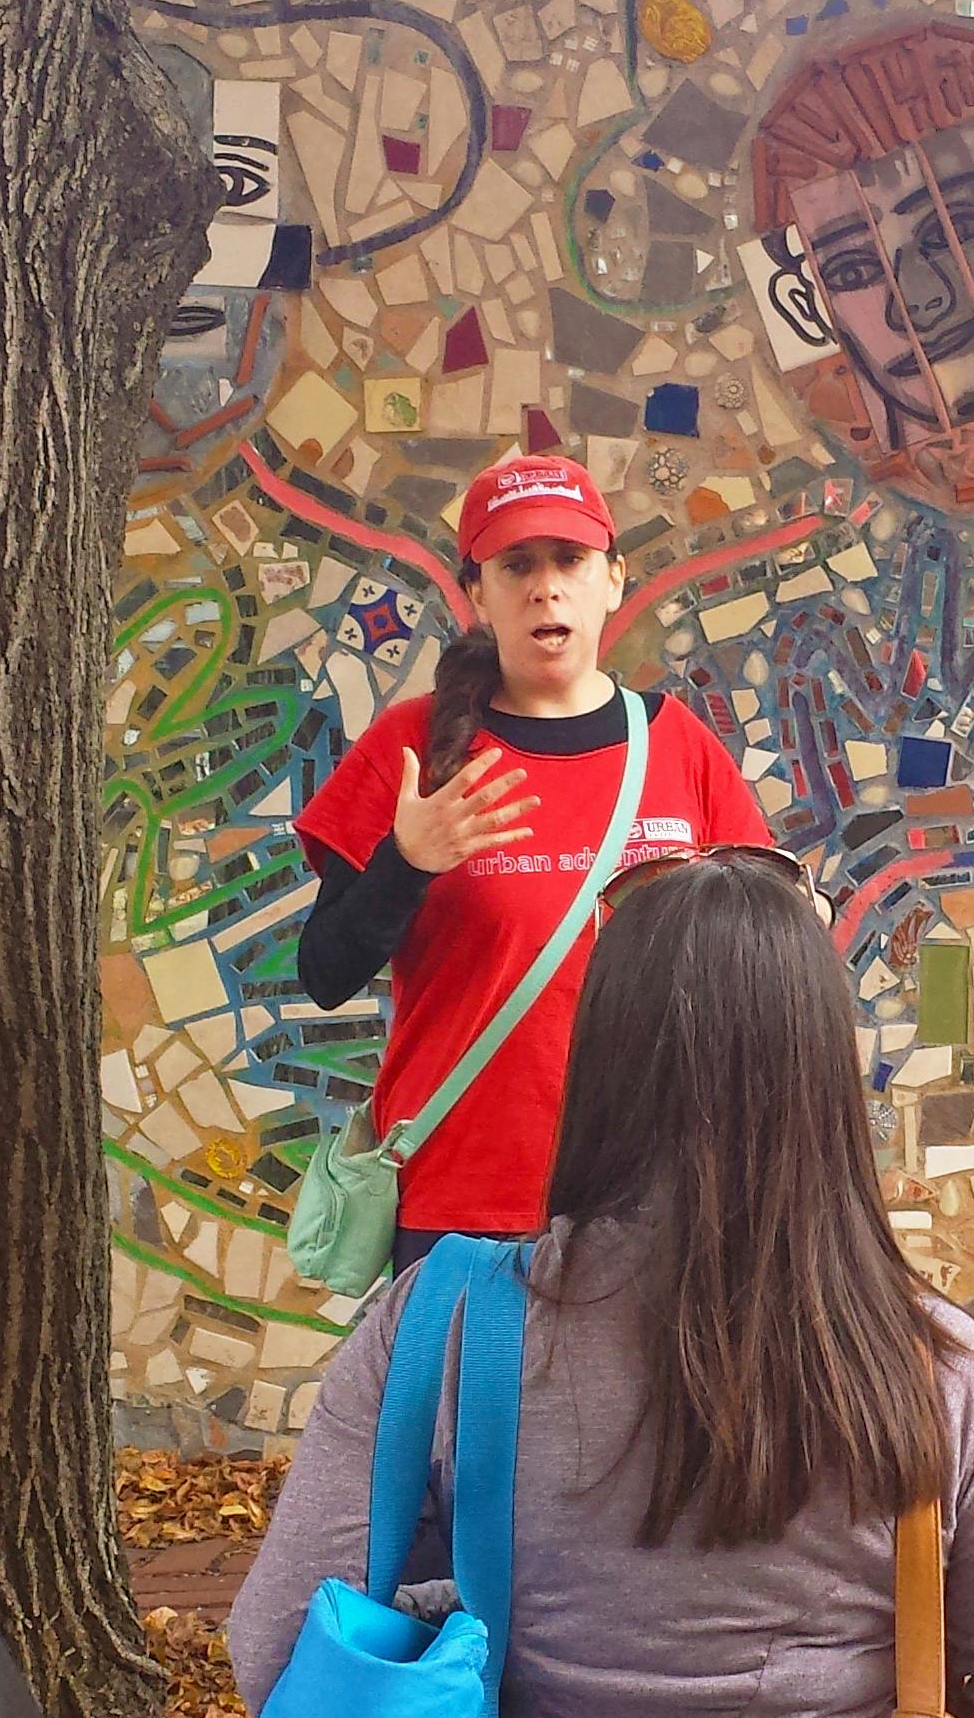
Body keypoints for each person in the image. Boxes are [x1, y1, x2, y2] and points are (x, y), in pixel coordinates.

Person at [230, 853, 974, 1718]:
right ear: (825, 1082)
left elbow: (273, 1658)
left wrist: (475, 1602)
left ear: (598, 1061)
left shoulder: (444, 1329)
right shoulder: (938, 1374)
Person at [294, 451, 775, 1270]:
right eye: (516, 564)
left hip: (653, 1202)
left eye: (570, 561)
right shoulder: (411, 749)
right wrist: (407, 862)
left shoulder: (678, 745)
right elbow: (323, 972)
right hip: (460, 1208)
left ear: (614, 580)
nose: (545, 587)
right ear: (477, 593)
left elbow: (761, 947)